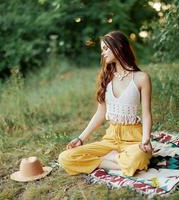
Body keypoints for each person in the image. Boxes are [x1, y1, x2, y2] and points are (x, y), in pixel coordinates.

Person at [58, 30, 153, 177]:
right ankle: (110, 160)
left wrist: (146, 138)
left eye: (106, 48)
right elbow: (100, 113)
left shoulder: (141, 78)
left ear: (119, 47)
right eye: (102, 50)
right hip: (111, 137)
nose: (103, 53)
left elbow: (146, 113)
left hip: (134, 137)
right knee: (65, 157)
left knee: (140, 157)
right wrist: (80, 138)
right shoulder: (106, 78)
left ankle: (112, 159)